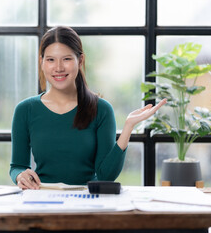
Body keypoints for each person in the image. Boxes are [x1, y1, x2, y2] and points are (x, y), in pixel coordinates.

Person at [9, 26, 166, 190]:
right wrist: (20, 176)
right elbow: (17, 166)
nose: (58, 68)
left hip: (87, 200)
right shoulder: (25, 110)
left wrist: (128, 127)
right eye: (50, 60)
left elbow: (106, 176)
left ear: (80, 60)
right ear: (41, 62)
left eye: (67, 59)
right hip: (41, 199)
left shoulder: (101, 109)